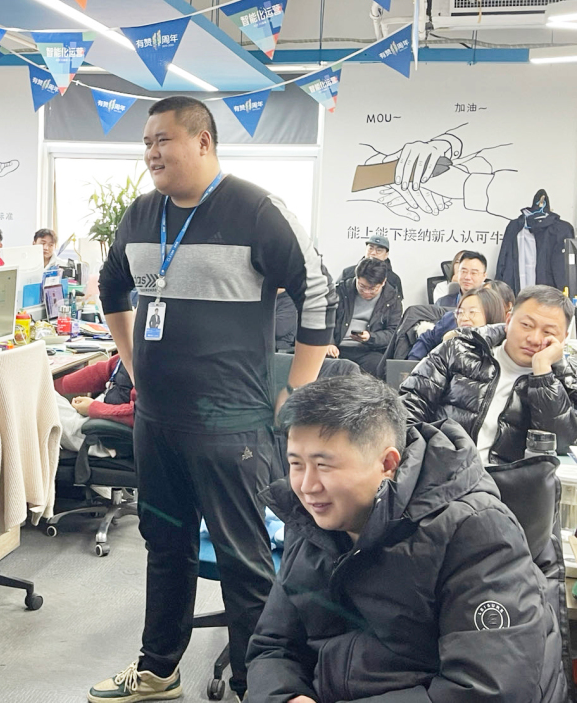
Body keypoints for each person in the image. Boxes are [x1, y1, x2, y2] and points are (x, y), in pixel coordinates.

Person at [92, 95, 337, 703]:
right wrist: (131, 362)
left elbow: (317, 291)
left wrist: (297, 388)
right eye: (146, 143)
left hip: (231, 424)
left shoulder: (255, 209)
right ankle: (158, 669)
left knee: (243, 561)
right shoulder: (140, 216)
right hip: (157, 421)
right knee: (165, 546)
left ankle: (261, 688)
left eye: (163, 140)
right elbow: (111, 287)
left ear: (203, 141)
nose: (151, 153)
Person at [246, 375, 568, 703]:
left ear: (387, 463)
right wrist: (285, 696)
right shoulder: (311, 520)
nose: (306, 486)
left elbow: (488, 688)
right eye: (296, 464)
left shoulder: (475, 531)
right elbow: (272, 646)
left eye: (323, 465)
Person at [401, 284, 577, 465]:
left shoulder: (567, 382)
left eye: (548, 332)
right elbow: (408, 409)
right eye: (526, 325)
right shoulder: (459, 350)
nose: (534, 339)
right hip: (442, 469)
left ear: (564, 338)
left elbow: (564, 445)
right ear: (508, 321)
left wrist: (543, 375)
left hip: (509, 479)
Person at [328, 257, 401, 376]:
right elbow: (324, 319)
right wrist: (329, 342)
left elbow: (393, 333)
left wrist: (370, 337)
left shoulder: (392, 299)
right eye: (362, 286)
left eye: (372, 289)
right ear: (356, 278)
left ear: (383, 282)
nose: (366, 292)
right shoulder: (341, 291)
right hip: (337, 347)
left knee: (380, 367)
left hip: (368, 351)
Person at [53, 354, 135, 454]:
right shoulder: (134, 351)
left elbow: (137, 414)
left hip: (108, 438)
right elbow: (102, 372)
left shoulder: (149, 362)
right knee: (45, 392)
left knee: (41, 396)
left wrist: (92, 408)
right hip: (102, 418)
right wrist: (55, 384)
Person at [408, 285, 507, 360]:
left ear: (491, 314)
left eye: (472, 312)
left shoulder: (502, 350)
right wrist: (412, 364)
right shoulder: (451, 322)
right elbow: (427, 339)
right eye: (460, 312)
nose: (464, 318)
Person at [336, 234, 403, 299]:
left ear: (386, 255)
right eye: (370, 248)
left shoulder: (393, 279)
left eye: (379, 250)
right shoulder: (347, 273)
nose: (373, 253)